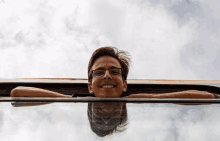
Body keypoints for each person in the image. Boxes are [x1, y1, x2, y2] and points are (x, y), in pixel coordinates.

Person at [10, 46, 216, 137]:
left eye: (114, 72)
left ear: (124, 85)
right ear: (90, 86)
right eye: (99, 72)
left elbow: (207, 97)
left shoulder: (136, 101)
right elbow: (17, 93)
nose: (107, 76)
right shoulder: (74, 101)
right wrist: (66, 98)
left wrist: (151, 97)